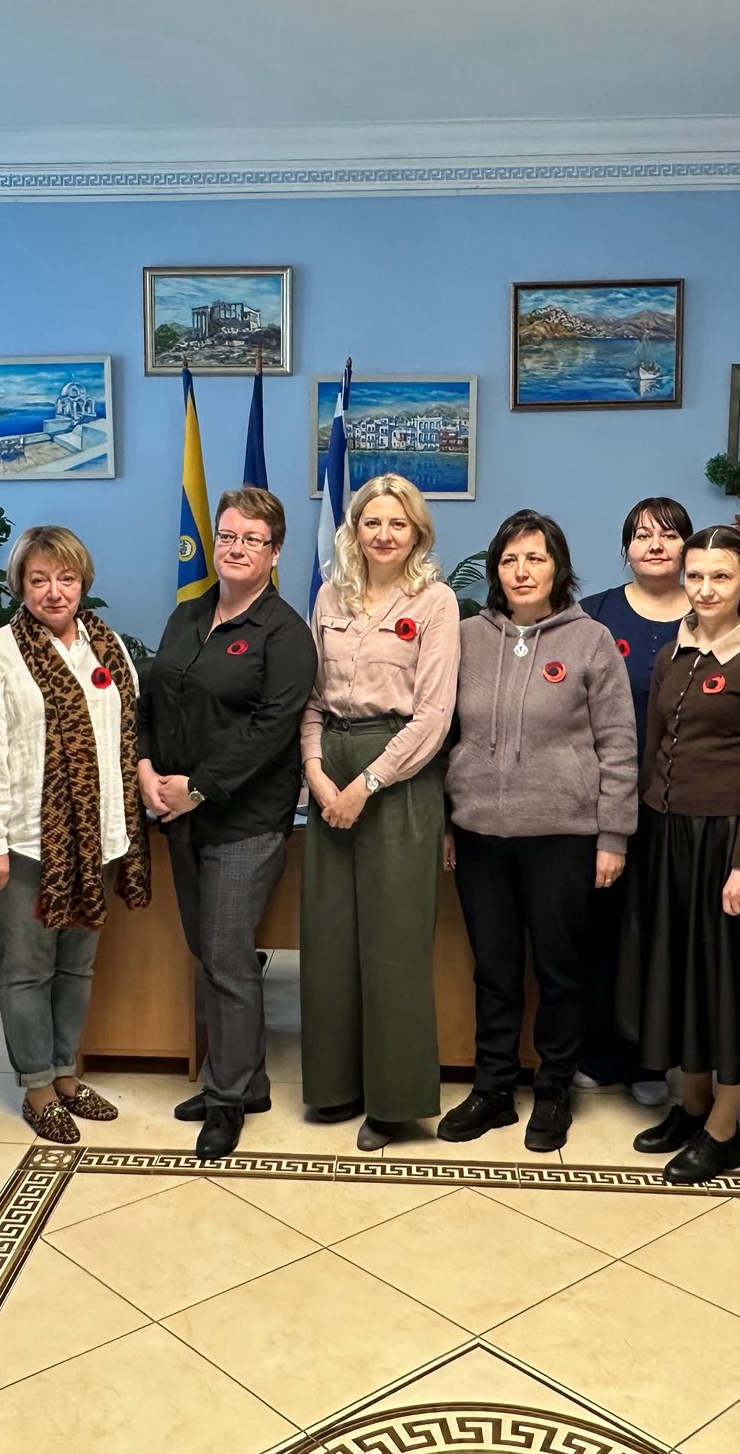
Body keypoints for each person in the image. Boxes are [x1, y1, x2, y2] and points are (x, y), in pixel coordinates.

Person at [438, 510, 636, 1153]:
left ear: (558, 567)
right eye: (509, 560)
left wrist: (613, 837)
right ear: (495, 570)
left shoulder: (591, 640)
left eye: (536, 558)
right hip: (479, 834)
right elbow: (443, 733)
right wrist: (446, 821)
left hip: (563, 835)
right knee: (494, 970)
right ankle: (493, 1088)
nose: (521, 572)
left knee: (559, 970)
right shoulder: (466, 637)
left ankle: (553, 1090)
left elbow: (618, 745)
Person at [0, 526, 151, 1143]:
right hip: (24, 841)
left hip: (100, 839)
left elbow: (126, 735)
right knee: (27, 970)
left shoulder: (107, 646)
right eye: (38, 579)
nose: (53, 591)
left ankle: (67, 1073)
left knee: (77, 968)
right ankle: (37, 1087)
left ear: (82, 581)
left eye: (65, 578)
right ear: (20, 585)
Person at [136, 489, 316, 1161]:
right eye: (228, 536)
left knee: (227, 956)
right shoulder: (188, 614)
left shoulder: (285, 633)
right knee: (209, 951)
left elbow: (273, 729)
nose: (236, 548)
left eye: (252, 539)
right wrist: (146, 765)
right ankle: (248, 1080)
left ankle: (228, 1098)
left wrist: (199, 788)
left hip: (244, 819)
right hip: (178, 812)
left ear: (275, 552)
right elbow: (152, 697)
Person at [617, 526, 740, 1184]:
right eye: (695, 576)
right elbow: (653, 747)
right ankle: (692, 1108)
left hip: (727, 842)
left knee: (727, 985)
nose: (705, 589)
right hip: (668, 837)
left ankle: (723, 1130)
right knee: (680, 976)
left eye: (721, 576)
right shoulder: (674, 650)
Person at [299, 473, 460, 1152]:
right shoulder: (329, 596)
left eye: (398, 523)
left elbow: (433, 716)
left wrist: (365, 784)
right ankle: (334, 1085)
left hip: (398, 778)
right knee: (329, 939)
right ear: (355, 530)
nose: (385, 535)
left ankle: (394, 1104)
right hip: (329, 774)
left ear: (417, 531)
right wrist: (316, 774)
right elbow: (310, 700)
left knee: (394, 944)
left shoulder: (435, 602)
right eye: (373, 522)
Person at [577, 495, 694, 1105]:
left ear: (688, 547)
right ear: (626, 548)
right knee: (603, 928)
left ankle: (652, 1061)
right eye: (642, 534)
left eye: (669, 535)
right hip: (602, 799)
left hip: (680, 804)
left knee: (662, 933)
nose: (655, 545)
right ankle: (602, 1052)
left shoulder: (712, 612)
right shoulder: (594, 615)